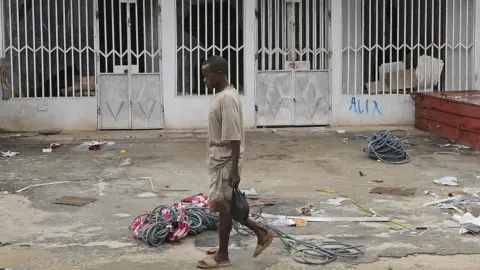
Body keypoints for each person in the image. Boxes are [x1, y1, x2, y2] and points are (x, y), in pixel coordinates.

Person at [197, 56, 274, 269]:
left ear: (220, 74)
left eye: (207, 75)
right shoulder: (221, 96)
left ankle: (222, 256)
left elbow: (234, 137)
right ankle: (261, 233)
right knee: (227, 207)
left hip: (225, 162)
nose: (205, 79)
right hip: (219, 161)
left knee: (224, 209)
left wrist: (233, 170)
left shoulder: (227, 99)